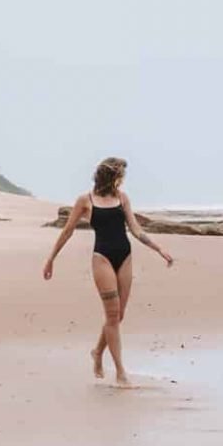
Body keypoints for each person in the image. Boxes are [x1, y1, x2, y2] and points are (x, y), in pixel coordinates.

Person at [43, 157, 174, 383]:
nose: (123, 180)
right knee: (112, 316)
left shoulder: (122, 198)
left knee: (118, 315)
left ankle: (97, 353)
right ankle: (121, 372)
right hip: (101, 258)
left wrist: (158, 248)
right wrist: (51, 259)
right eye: (121, 175)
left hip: (125, 256)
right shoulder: (86, 200)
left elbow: (135, 229)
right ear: (112, 176)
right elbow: (67, 231)